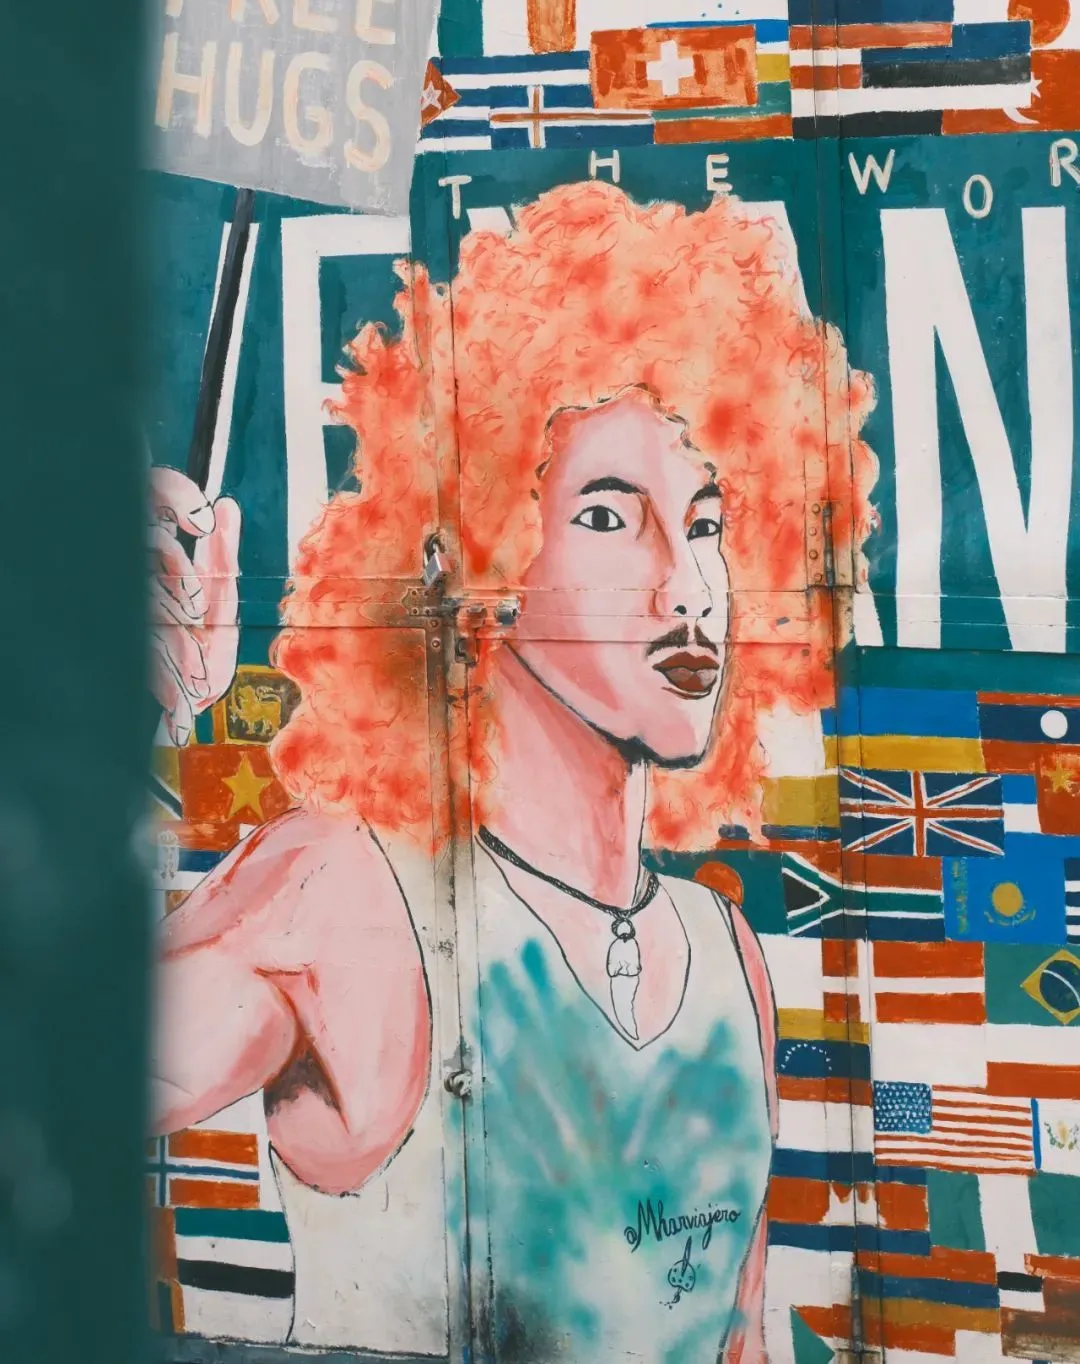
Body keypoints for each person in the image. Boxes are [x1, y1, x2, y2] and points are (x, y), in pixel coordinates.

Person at [150, 181, 877, 1362]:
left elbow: (739, 1338)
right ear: (469, 561)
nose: (685, 587)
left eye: (704, 521)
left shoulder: (725, 956)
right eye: (609, 517)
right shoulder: (347, 898)